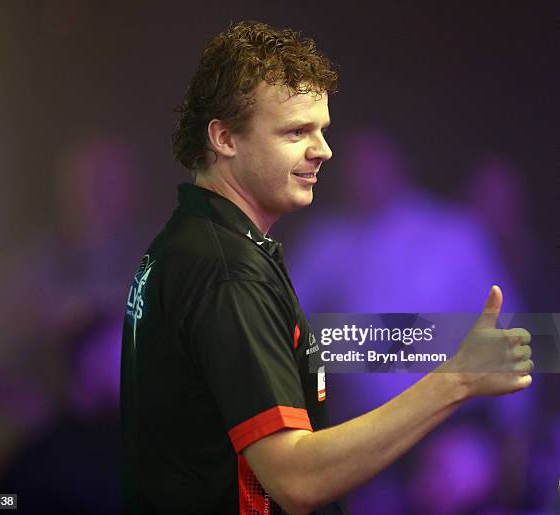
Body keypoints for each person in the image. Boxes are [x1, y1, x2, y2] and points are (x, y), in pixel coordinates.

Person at [120, 21, 533, 515]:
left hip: (443, 446)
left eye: (322, 130)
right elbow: (296, 478)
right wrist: (457, 376)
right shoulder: (230, 267)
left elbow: (524, 338)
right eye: (297, 131)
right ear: (225, 137)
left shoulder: (190, 243)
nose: (325, 151)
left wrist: (498, 435)